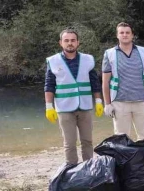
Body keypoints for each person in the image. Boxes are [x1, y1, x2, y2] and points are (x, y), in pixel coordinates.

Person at [44, 29, 104, 165]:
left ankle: (89, 167)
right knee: (69, 143)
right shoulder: (53, 61)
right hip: (64, 108)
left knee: (87, 141)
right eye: (66, 40)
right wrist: (49, 106)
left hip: (85, 107)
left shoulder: (88, 59)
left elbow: (95, 82)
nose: (70, 43)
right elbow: (49, 85)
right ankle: (71, 169)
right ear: (61, 43)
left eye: (72, 40)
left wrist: (98, 101)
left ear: (78, 42)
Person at [102, 22, 144, 140]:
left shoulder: (143, 51)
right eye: (121, 32)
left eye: (127, 32)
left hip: (142, 101)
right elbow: (105, 82)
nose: (125, 35)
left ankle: (143, 153)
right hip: (119, 102)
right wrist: (107, 104)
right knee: (121, 139)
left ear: (132, 35)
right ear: (117, 35)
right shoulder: (109, 53)